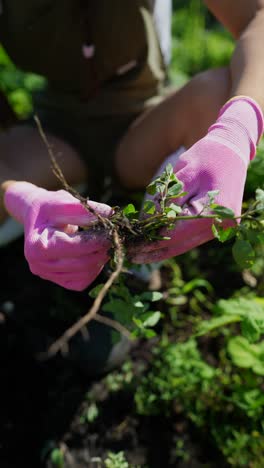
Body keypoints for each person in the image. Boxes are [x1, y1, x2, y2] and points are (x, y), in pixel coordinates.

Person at [1, 1, 264, 373]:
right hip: (53, 136)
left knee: (217, 92)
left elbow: (257, 17)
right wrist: (14, 193)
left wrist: (236, 132)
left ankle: (139, 257)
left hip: (145, 125)